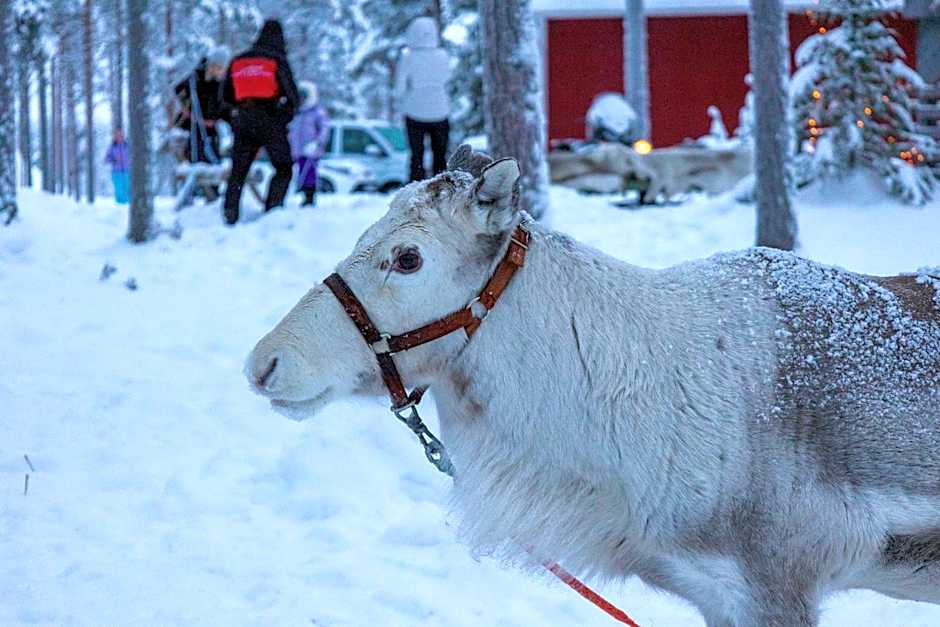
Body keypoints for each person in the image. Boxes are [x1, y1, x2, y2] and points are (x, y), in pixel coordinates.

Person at [220, 19, 300, 225]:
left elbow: (223, 98)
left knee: (238, 171)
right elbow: (292, 96)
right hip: (271, 119)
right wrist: (283, 119)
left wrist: (235, 118)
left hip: (243, 120)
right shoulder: (277, 60)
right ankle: (272, 212)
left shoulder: (238, 60)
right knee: (283, 167)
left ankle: (230, 215)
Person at [394, 16, 452, 182]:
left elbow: (399, 88)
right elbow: (447, 78)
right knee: (440, 157)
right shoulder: (443, 55)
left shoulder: (407, 56)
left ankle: (415, 193)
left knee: (416, 158)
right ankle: (441, 193)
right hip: (440, 111)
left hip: (414, 112)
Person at [174, 45, 232, 166]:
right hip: (192, 129)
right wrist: (185, 107)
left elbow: (224, 107)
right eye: (220, 68)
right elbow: (178, 92)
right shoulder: (194, 79)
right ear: (213, 65)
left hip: (210, 132)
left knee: (213, 164)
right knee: (196, 162)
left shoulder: (220, 83)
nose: (223, 72)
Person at [288, 81, 330, 207]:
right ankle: (300, 192)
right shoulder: (296, 112)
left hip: (311, 150)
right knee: (299, 172)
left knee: (310, 173)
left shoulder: (317, 112)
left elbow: (324, 129)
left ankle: (309, 197)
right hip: (297, 150)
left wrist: (317, 142)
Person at [105, 128, 130, 205]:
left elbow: (133, 155)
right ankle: (120, 205)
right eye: (118, 135)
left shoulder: (127, 146)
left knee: (128, 188)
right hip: (116, 172)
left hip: (127, 170)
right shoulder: (112, 147)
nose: (120, 137)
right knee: (119, 189)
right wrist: (113, 160)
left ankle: (129, 204)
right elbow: (107, 158)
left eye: (121, 135)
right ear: (115, 136)